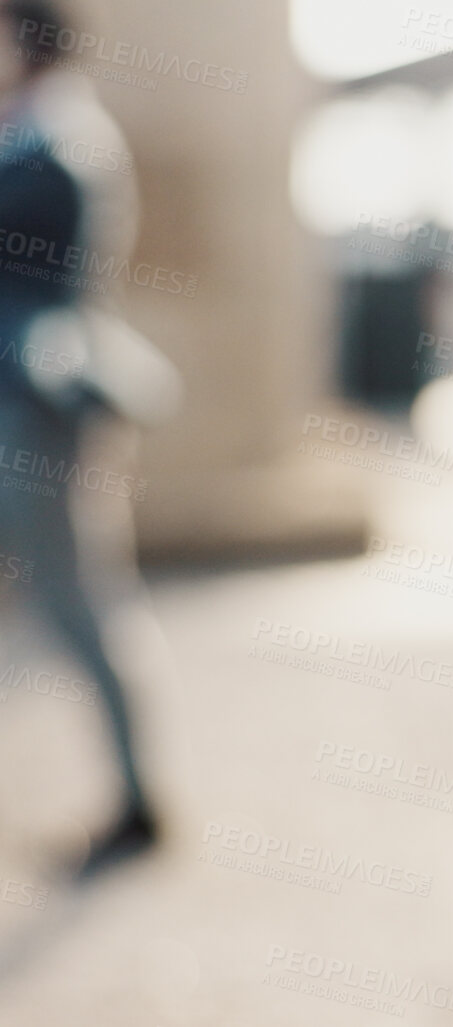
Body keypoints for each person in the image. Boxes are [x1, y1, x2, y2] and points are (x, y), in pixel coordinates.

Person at [0, 0, 166, 877]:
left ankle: (138, 802)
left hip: (32, 415)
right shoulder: (36, 136)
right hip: (26, 407)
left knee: (78, 606)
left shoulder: (55, 144)